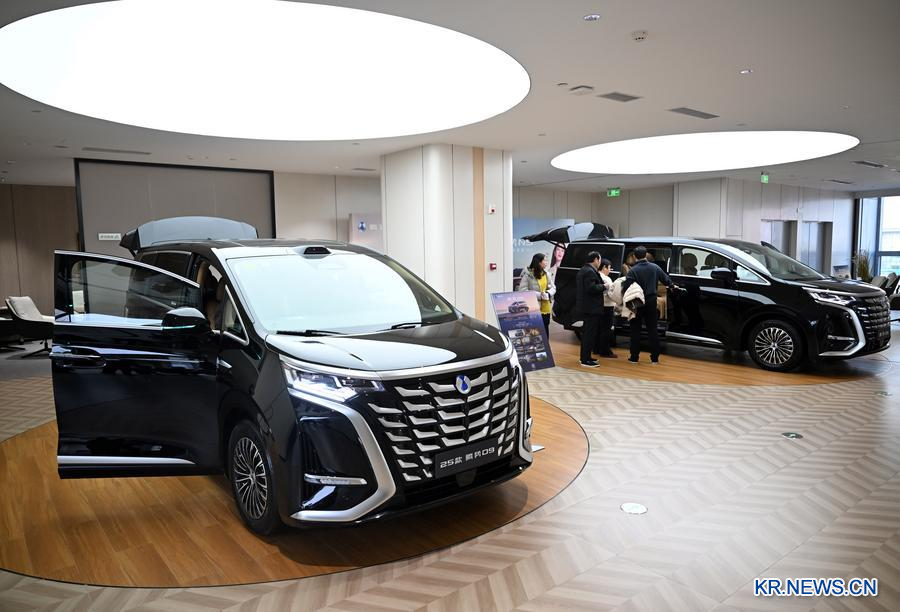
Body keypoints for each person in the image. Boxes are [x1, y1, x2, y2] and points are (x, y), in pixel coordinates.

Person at [622, 246, 677, 364]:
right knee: (652, 330)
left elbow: (626, 287)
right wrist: (672, 286)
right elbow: (666, 280)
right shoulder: (655, 267)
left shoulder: (633, 270)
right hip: (651, 302)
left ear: (634, 256)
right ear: (645, 254)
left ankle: (634, 357)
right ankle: (654, 358)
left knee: (635, 330)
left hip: (637, 302)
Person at [574, 251, 606, 367]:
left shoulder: (584, 269)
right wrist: (604, 286)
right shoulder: (589, 271)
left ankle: (586, 356)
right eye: (600, 260)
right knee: (589, 334)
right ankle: (585, 360)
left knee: (588, 333)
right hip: (591, 308)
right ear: (596, 259)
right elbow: (591, 288)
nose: (600, 262)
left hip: (587, 307)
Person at [517, 252, 556, 333]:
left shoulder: (547, 274)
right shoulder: (528, 275)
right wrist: (539, 295)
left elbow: (553, 287)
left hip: (546, 307)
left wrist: (548, 293)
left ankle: (546, 342)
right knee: (535, 331)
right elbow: (522, 290)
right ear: (539, 262)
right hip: (533, 308)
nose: (546, 262)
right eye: (544, 260)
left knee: (545, 329)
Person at [594, 259, 617, 358]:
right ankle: (605, 351)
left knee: (598, 328)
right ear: (604, 267)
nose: (610, 270)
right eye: (609, 268)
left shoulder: (595, 275)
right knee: (606, 329)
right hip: (607, 306)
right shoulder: (606, 279)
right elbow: (611, 293)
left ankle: (596, 349)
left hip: (598, 306)